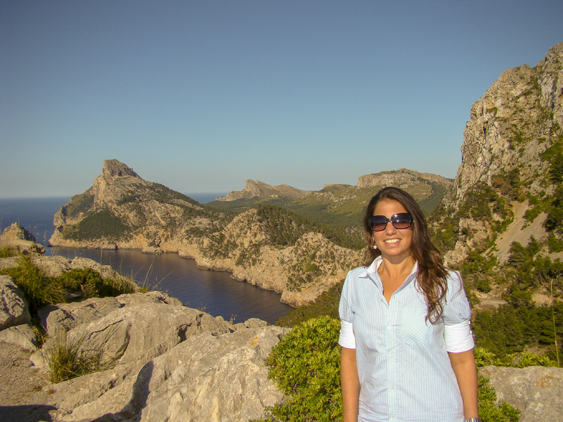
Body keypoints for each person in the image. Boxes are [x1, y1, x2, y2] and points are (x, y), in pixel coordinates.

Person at [338, 187, 479, 422]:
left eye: (400, 220)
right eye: (379, 222)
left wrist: (473, 418)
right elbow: (350, 358)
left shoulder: (446, 284)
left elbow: (463, 360)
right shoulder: (356, 283)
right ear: (371, 233)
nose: (390, 229)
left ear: (415, 227)